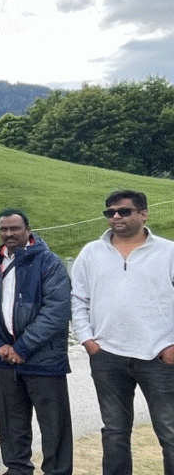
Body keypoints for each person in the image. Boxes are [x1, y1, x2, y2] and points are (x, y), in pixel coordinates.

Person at [71, 190, 174, 475]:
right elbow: (77, 298)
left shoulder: (168, 252)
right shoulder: (91, 253)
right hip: (108, 357)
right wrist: (87, 339)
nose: (116, 216)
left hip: (159, 357)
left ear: (144, 214)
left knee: (170, 432)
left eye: (124, 211)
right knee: (115, 432)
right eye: (110, 212)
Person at [0, 209, 73, 475]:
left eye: (15, 228)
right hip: (4, 358)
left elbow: (57, 310)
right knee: (11, 422)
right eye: (3, 229)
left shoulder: (49, 262)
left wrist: (23, 347)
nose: (9, 234)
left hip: (43, 358)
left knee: (54, 425)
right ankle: (17, 469)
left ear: (28, 230)